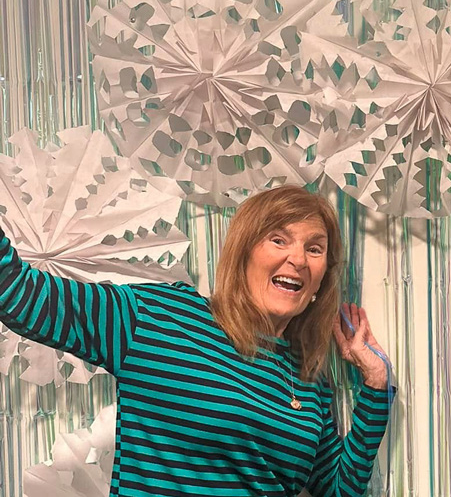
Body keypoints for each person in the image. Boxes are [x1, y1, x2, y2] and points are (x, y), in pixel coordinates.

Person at [0, 185, 394, 496]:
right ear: (243, 253)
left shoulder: (309, 379)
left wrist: (375, 382)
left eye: (314, 248)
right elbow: (19, 294)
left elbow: (338, 490)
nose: (298, 259)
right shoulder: (158, 317)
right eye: (278, 239)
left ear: (322, 276)